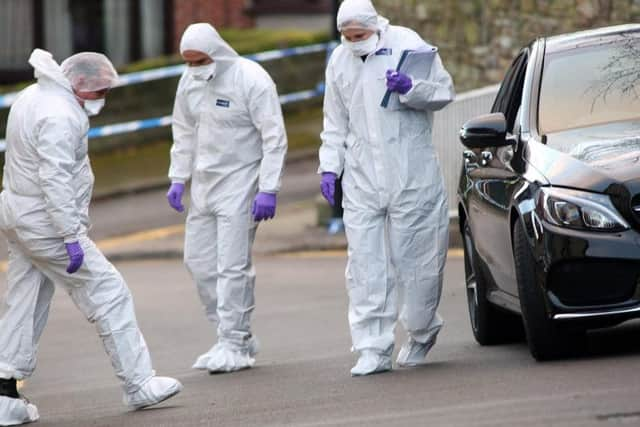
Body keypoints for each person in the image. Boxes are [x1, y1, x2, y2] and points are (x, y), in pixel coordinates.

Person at [0, 49, 182, 426]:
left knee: (24, 301)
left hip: (18, 215)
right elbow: (55, 178)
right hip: (47, 224)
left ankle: (3, 395)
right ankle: (138, 383)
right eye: (101, 91)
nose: (104, 98)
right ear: (81, 87)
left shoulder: (32, 96)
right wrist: (69, 234)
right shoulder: (61, 115)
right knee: (108, 293)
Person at [318, 0, 455, 376]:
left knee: (418, 261)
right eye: (346, 37)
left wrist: (413, 88)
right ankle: (373, 348)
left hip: (411, 173)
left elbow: (443, 92)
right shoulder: (339, 62)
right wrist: (330, 167)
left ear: (374, 27)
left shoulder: (407, 43)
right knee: (364, 266)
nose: (353, 42)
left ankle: (422, 331)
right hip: (362, 177)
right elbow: (334, 121)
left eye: (359, 36)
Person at [166, 23, 288, 373]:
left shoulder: (251, 78)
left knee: (232, 266)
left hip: (242, 182)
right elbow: (183, 130)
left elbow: (273, 136)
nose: (195, 67)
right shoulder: (188, 82)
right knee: (198, 262)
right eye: (188, 61)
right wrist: (178, 177)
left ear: (217, 52)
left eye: (200, 60)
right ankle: (231, 336)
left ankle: (234, 342)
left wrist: (268, 187)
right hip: (205, 185)